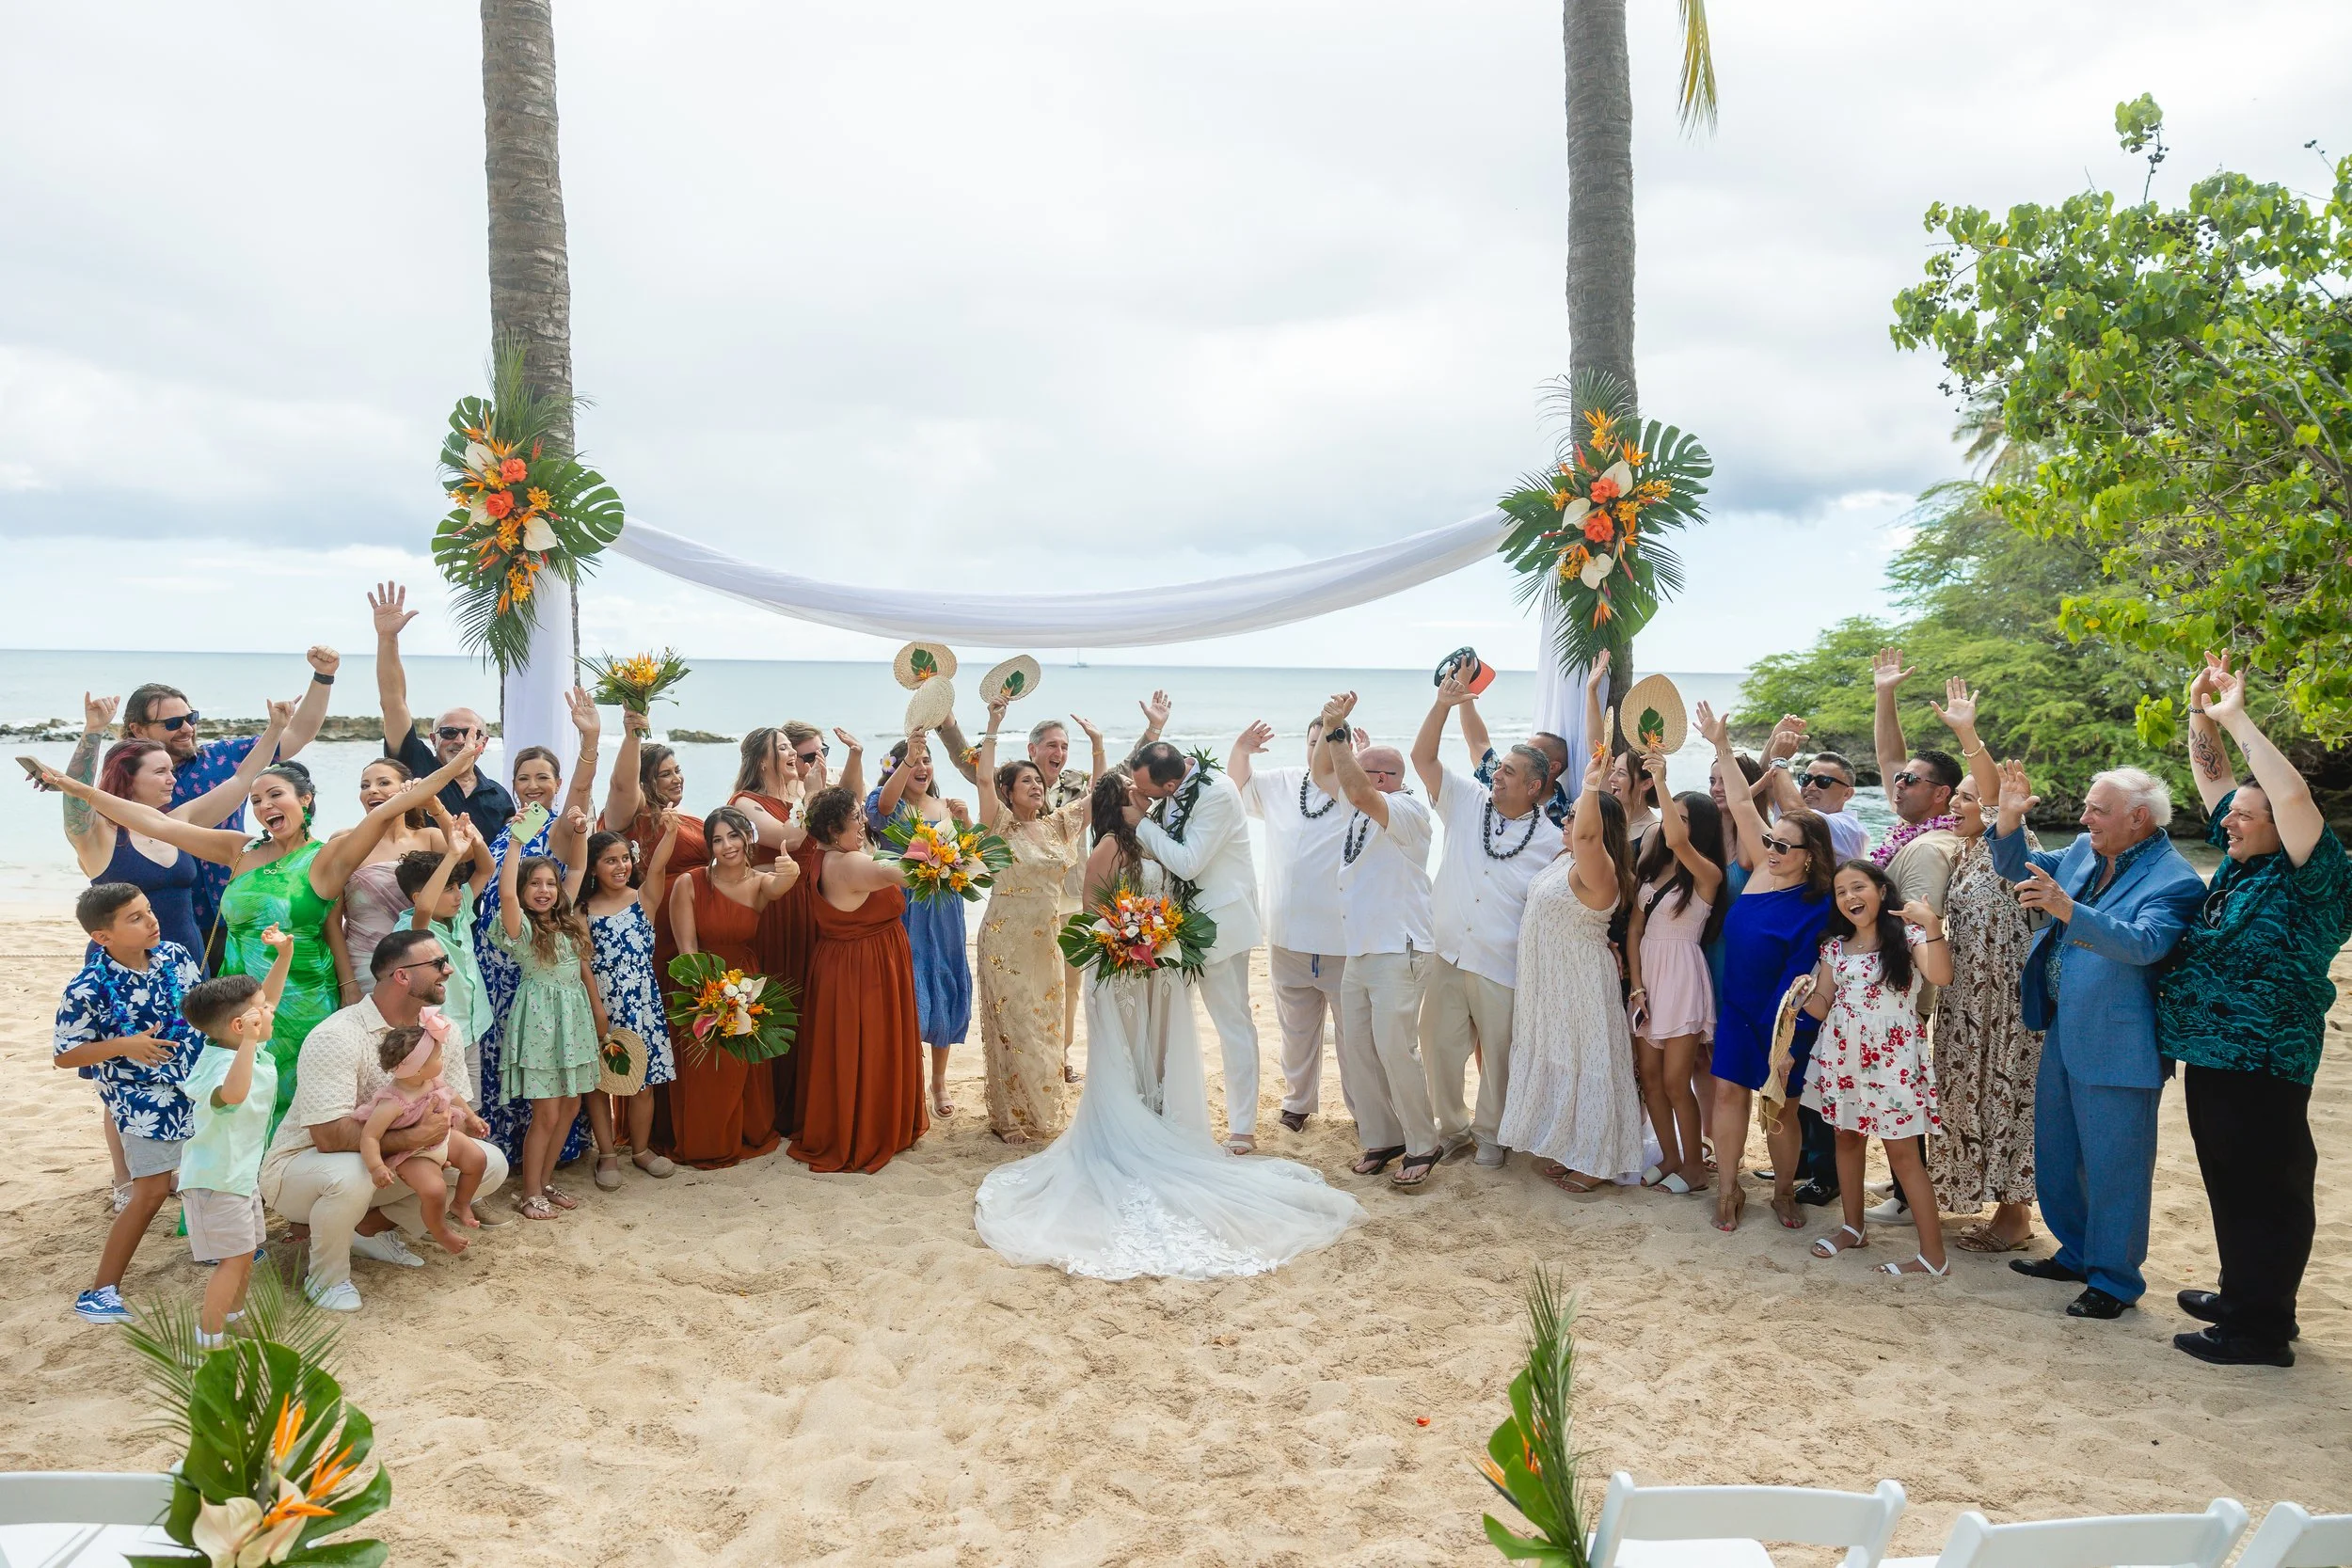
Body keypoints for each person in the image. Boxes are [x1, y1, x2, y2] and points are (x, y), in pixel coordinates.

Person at [973, 771, 1364, 1278]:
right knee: (1125, 1054)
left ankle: (1157, 1117)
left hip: (1154, 969)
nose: (1149, 801)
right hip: (1118, 972)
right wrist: (1128, 939)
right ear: (1122, 803)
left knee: (1155, 1053)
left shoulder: (1152, 846)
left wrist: (1157, 937)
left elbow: (1169, 896)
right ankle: (1132, 1126)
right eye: (1138, 796)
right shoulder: (1108, 849)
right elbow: (1095, 915)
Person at [37, 744, 479, 1133]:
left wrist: (457, 764)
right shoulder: (240, 851)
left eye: (275, 794)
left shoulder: (327, 858)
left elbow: (390, 808)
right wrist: (78, 790)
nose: (264, 804)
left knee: (300, 1101)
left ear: (305, 800)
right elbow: (158, 825)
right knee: (238, 1099)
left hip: (303, 997)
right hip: (239, 996)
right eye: (256, 799)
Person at [2159, 654, 2351, 1366]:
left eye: (2243, 816)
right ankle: (2244, 1292)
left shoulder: (2317, 877)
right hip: (2214, 1052)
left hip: (2265, 1057)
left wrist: (2239, 718)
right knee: (2230, 1180)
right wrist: (2199, 711)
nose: (2225, 823)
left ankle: (2261, 1328)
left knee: (2265, 1188)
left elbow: (2293, 797)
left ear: (2277, 823)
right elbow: (2215, 779)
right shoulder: (2249, 859)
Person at [1991, 757, 2203, 1320]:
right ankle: (2079, 1252)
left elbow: (2146, 944)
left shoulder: (2176, 879)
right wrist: (2008, 825)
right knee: (2057, 1154)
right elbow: (2027, 872)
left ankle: (2114, 1280)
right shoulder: (2090, 847)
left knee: (2117, 1169)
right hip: (2064, 1024)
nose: (2085, 818)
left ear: (2138, 818)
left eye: (2096, 810)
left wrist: (2067, 909)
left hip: (2119, 1039)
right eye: (2087, 807)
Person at [261, 927, 514, 1311]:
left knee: (488, 1162)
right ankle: (326, 1278)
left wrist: (458, 1123)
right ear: (402, 976)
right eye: (438, 963)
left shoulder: (441, 1028)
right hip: (302, 1168)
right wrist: (415, 1137)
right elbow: (328, 1138)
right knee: (351, 1173)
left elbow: (455, 1109)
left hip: (389, 1162)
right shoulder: (338, 1035)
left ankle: (367, 1230)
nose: (448, 971)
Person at [1411, 674, 1565, 1168]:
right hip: (1448, 949)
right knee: (1436, 1046)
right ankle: (1452, 1130)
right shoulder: (1466, 800)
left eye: (1510, 771)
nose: (1497, 773)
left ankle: (1493, 1136)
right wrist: (1442, 706)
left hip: (1501, 961)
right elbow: (1424, 760)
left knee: (1499, 1056)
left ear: (1535, 785)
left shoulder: (1551, 840)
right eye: (1498, 767)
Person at [1697, 700, 1836, 1233]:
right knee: (1729, 1092)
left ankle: (1782, 1191)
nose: (1773, 849)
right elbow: (1737, 798)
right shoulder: (1760, 868)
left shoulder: (1819, 901)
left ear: (1810, 855)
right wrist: (1721, 746)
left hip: (1789, 1017)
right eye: (1771, 842)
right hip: (1739, 1005)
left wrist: (1793, 1030)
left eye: (1785, 846)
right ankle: (1729, 1189)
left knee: (1782, 1104)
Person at [54, 884, 211, 1323]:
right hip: (140, 1096)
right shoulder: (86, 987)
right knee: (152, 1190)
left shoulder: (176, 956)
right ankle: (100, 1289)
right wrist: (122, 1045)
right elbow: (65, 1054)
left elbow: (199, 1011)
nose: (152, 920)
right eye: (136, 918)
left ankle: (215, 1249)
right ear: (103, 937)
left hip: (193, 1082)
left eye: (148, 911)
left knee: (206, 1169)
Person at [113, 650, 339, 945]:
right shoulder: (124, 785)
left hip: (239, 910)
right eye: (172, 724)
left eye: (190, 718)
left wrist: (323, 676)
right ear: (138, 729)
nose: (187, 729)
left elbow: (299, 734)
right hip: (167, 919)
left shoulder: (225, 757)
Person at [1797, 861, 1953, 1277]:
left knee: (1903, 1154)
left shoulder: (1909, 936)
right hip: (1842, 1053)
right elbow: (1822, 1004)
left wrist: (1932, 924)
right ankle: (1853, 1227)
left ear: (1882, 891)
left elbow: (1941, 974)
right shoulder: (1834, 946)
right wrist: (1797, 999)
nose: (1850, 897)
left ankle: (1933, 1258)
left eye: (1858, 887)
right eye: (1841, 892)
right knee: (1845, 1138)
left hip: (1892, 1058)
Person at [1497, 751, 1645, 1193]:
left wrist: (1591, 784)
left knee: (1589, 1065)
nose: (1566, 822)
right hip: (1551, 980)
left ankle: (1597, 1160)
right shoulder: (1563, 861)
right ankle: (1571, 1145)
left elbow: (1586, 835)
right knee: (1562, 1062)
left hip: (1580, 981)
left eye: (1576, 818)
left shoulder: (1599, 869)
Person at [1312, 693, 1444, 1189]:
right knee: (1359, 1048)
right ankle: (1382, 1136)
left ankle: (1422, 1142)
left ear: (1386, 778)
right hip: (1362, 950)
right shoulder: (1360, 813)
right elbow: (1330, 776)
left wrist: (1338, 732)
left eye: (1369, 772)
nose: (1355, 782)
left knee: (1396, 1049)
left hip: (1399, 948)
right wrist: (1330, 730)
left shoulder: (1407, 811)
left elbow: (1357, 788)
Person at [1924, 717, 2043, 1254]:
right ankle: (1995, 1205)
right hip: (1966, 999)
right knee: (1967, 1098)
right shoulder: (1965, 852)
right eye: (1958, 799)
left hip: (2007, 1001)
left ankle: (2015, 1217)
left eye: (1969, 799)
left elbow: (1997, 801)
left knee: (2007, 1097)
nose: (1957, 804)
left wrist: (1968, 737)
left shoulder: (2012, 843)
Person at [57, 696, 294, 962]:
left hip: (188, 965)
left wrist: (275, 728)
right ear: (129, 777)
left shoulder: (175, 825)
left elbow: (241, 779)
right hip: (126, 973)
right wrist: (94, 730)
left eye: (171, 770)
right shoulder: (98, 835)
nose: (172, 779)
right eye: (160, 772)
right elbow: (76, 797)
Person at [471, 691, 601, 1165]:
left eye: (542, 777)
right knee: (505, 1058)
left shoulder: (559, 827)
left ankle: (546, 1160)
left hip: (539, 961)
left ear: (556, 783)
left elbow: (581, 798)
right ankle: (503, 1154)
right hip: (497, 963)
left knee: (546, 1067)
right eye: (523, 778)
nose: (532, 785)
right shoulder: (509, 828)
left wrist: (590, 739)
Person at [973, 701, 1105, 1143]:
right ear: (1008, 791)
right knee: (1013, 1025)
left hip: (1046, 938)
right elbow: (981, 774)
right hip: (1005, 938)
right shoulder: (1000, 827)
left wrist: (1098, 745)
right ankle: (1010, 1119)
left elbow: (1099, 794)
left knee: (1047, 1023)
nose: (1034, 785)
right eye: (1024, 780)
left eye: (1037, 780)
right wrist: (993, 724)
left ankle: (1042, 1110)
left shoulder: (1056, 828)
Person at [1129, 736, 1265, 1154]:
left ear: (1170, 786)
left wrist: (1140, 822)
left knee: (1232, 1025)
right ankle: (1167, 1108)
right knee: (1173, 1022)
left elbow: (1189, 861)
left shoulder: (1219, 793)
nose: (1142, 797)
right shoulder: (1172, 786)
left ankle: (1242, 1126)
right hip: (1176, 926)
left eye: (1148, 792)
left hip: (1219, 924)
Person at [790, 786, 929, 1173]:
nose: (864, 822)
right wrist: (934, 843)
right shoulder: (850, 863)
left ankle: (850, 1121)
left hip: (840, 962)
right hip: (866, 965)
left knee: (849, 1047)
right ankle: (870, 1129)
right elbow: (909, 876)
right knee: (871, 1044)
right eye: (856, 818)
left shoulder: (823, 856)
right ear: (835, 829)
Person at [1232, 717, 1355, 1135]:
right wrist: (1242, 750)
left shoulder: (1357, 792)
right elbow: (1237, 791)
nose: (1319, 748)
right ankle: (1298, 1102)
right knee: (1296, 1029)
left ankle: (1362, 1108)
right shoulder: (1283, 782)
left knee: (1354, 1035)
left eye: (1330, 741)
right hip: (1287, 934)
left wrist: (1363, 767)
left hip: (1343, 939)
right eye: (1313, 741)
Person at [175, 933, 295, 1349]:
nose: (270, 1011)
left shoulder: (247, 1046)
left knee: (247, 1251)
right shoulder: (219, 1063)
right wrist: (248, 1043)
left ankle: (233, 1315)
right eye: (260, 1010)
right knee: (232, 1259)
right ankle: (207, 1335)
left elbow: (273, 998)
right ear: (239, 1027)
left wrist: (286, 954)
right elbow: (232, 1095)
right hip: (215, 1180)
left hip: (240, 1177)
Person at [665, 806, 798, 1168]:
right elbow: (687, 950)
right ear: (709, 846)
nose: (727, 846)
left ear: (747, 837)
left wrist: (792, 870)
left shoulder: (758, 881)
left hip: (746, 981)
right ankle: (707, 1140)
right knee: (707, 1070)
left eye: (733, 836)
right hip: (702, 982)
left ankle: (745, 1132)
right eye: (717, 840)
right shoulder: (689, 883)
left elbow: (779, 885)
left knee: (743, 1065)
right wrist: (710, 998)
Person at [492, 818, 611, 1216]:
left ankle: (544, 1181)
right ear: (525, 892)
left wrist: (579, 832)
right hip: (541, 1024)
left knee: (572, 1105)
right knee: (546, 1111)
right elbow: (505, 893)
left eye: (549, 884)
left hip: (573, 1021)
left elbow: (576, 869)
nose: (544, 891)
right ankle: (529, 1193)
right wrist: (515, 843)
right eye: (535, 884)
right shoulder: (520, 927)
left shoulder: (564, 921)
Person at [1626, 752, 1727, 1196]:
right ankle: (1669, 1157)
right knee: (1648, 1076)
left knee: (1674, 1079)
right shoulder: (1653, 868)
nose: (1671, 824)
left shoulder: (1705, 873)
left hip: (1683, 978)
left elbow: (1679, 841)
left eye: (1681, 818)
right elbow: (1634, 928)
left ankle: (1695, 1167)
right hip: (1649, 978)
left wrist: (1661, 781)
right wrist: (1636, 985)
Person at [868, 727, 973, 1119]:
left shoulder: (945, 805)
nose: (923, 766)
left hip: (944, 908)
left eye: (928, 759)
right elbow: (879, 813)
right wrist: (909, 754)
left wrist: (964, 822)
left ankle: (940, 1081)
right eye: (915, 760)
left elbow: (966, 856)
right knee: (908, 989)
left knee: (943, 982)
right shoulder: (887, 802)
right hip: (905, 904)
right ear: (898, 767)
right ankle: (910, 1079)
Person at [370, 580, 516, 844]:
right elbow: (393, 702)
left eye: (471, 734)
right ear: (433, 738)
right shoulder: (416, 767)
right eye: (449, 732)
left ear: (483, 742)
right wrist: (387, 639)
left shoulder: (499, 797)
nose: (460, 740)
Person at [581, 823, 681, 1186]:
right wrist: (596, 1008)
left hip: (642, 1003)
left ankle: (640, 1150)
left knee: (642, 1080)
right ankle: (606, 1154)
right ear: (593, 867)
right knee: (598, 1083)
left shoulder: (644, 899)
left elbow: (658, 867)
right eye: (610, 860)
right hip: (600, 1003)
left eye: (625, 858)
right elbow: (581, 963)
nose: (620, 866)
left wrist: (670, 830)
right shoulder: (583, 909)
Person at [358, 1015, 493, 1252]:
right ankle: (441, 1231)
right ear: (418, 1068)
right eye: (438, 1056)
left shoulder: (431, 1079)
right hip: (414, 1154)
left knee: (478, 1158)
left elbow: (452, 1094)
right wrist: (376, 1166)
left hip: (442, 1140)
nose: (442, 1058)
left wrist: (471, 1117)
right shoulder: (393, 1102)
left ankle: (461, 1203)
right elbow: (370, 1136)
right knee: (434, 1190)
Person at [331, 754, 450, 999]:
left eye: (383, 783)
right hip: (362, 965)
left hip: (420, 964)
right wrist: (347, 983)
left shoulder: (429, 838)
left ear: (406, 788)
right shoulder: (344, 841)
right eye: (365, 786)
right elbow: (332, 922)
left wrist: (434, 806)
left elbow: (470, 852)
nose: (372, 791)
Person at [396, 818, 495, 1101]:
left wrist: (475, 839)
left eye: (457, 886)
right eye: (448, 888)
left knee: (472, 1106)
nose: (457, 895)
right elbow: (425, 907)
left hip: (473, 1028)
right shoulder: (414, 928)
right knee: (443, 1106)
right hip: (440, 1035)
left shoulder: (460, 909)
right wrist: (452, 854)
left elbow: (487, 868)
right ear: (418, 896)